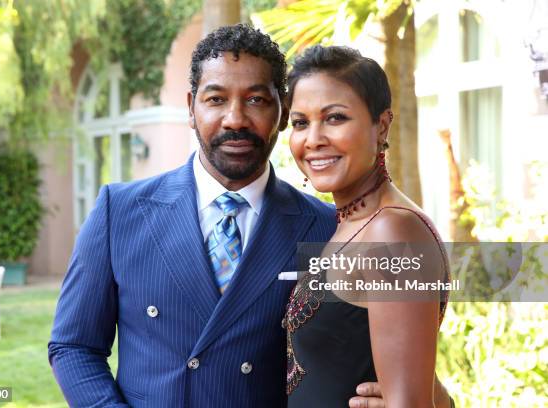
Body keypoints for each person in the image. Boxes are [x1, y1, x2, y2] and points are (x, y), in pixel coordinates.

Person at [48, 24, 450, 408]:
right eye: (216, 99)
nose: (235, 119)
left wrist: (432, 399)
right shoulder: (119, 212)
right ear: (191, 107)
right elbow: (73, 346)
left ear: (278, 111)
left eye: (256, 99)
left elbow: (376, 348)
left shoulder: (327, 226)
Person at [284, 44, 453, 407]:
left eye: (335, 118)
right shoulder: (353, 222)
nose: (313, 139)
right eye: (300, 123)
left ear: (382, 125)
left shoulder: (391, 232)